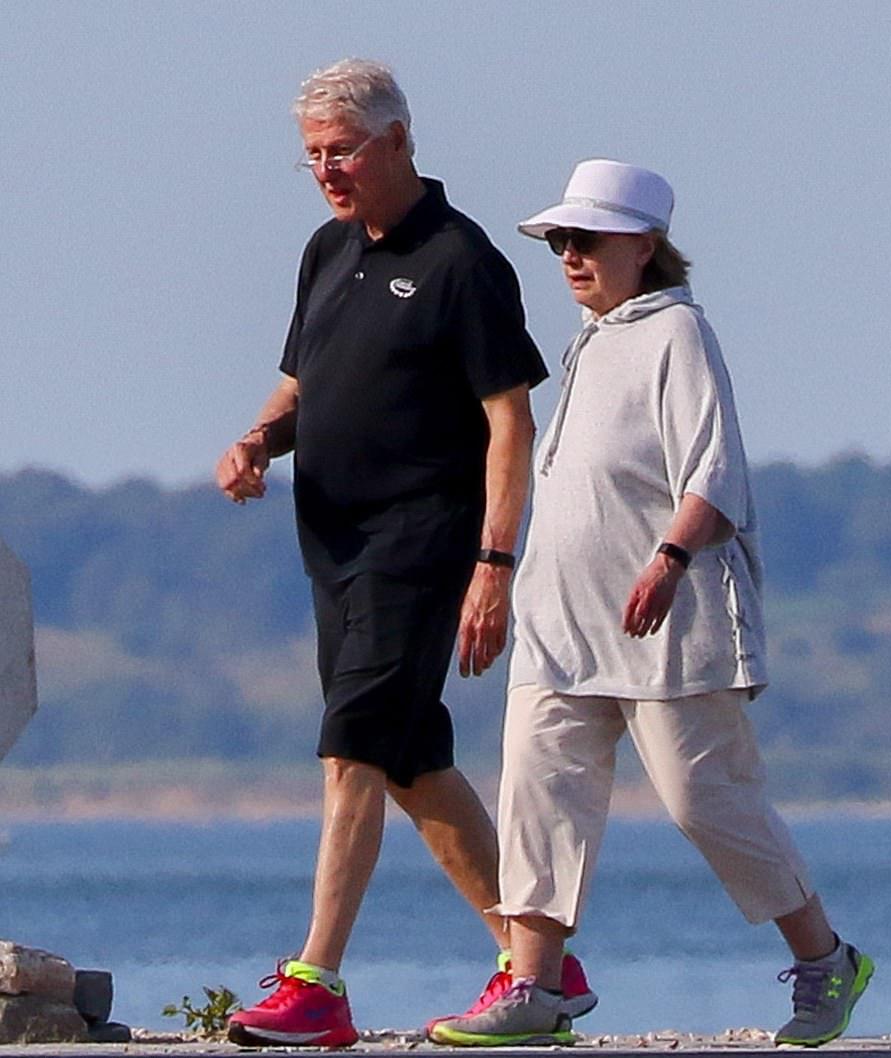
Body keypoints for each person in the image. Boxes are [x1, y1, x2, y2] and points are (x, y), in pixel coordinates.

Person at [427, 160, 874, 1048]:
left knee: (705, 799)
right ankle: (536, 987)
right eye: (561, 241)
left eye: (587, 239)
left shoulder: (677, 332)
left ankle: (827, 961)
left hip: (670, 622)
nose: (570, 255)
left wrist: (668, 559)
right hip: (561, 622)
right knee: (539, 793)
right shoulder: (590, 341)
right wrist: (500, 575)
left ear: (644, 245)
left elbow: (714, 473)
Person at [214, 60, 597, 1047]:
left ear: (395, 141)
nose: (326, 171)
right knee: (410, 760)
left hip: (422, 541)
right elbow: (302, 386)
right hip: (331, 547)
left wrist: (493, 565)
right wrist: (257, 440)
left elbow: (509, 420)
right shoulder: (325, 251)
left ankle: (317, 985)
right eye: (312, 156)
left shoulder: (460, 259)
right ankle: (538, 965)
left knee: (352, 746)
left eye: (341, 151)